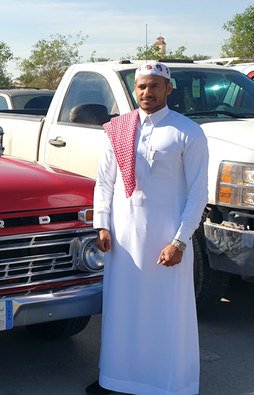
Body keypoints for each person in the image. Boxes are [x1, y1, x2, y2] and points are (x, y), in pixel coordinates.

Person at [88, 62, 209, 395]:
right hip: (123, 237)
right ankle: (115, 379)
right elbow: (105, 181)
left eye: (155, 86)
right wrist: (102, 224)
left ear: (168, 89)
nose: (147, 92)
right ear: (134, 89)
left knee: (166, 312)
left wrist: (180, 242)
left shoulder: (187, 132)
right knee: (121, 309)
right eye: (141, 86)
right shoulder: (119, 129)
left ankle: (167, 384)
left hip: (165, 239)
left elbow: (199, 193)